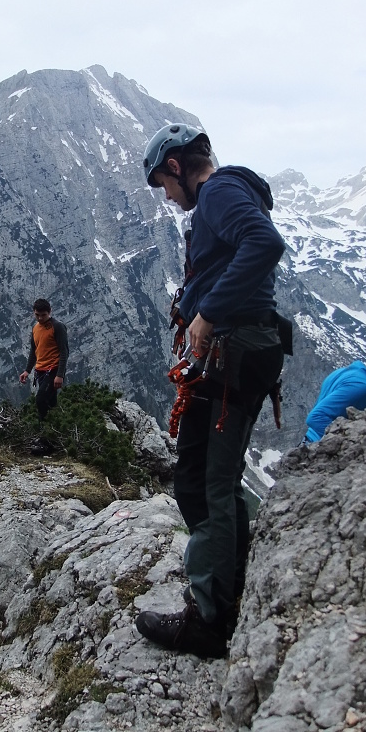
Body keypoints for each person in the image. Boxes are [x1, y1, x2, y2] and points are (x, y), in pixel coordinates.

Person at [135, 124, 289, 658]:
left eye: (163, 184)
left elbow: (265, 244)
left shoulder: (218, 191)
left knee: (204, 482)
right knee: (212, 478)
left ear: (176, 166)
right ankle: (231, 588)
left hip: (233, 353)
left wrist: (208, 313)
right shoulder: (226, 194)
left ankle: (208, 618)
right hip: (243, 353)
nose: (167, 197)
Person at [304, 338, 366, 442]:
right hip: (319, 446)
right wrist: (349, 442)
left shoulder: (348, 372)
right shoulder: (363, 388)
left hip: (308, 443)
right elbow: (315, 418)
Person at [19, 298, 69, 422]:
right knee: (51, 403)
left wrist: (60, 375)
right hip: (40, 371)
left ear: (50, 312)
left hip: (53, 370)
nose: (40, 318)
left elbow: (64, 351)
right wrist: (27, 371)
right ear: (34, 312)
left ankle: (44, 429)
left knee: (40, 399)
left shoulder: (57, 326)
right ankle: (58, 427)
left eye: (43, 315)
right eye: (37, 315)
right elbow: (34, 351)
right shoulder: (35, 328)